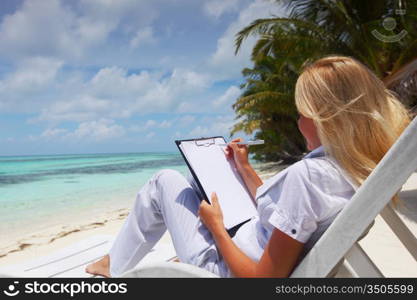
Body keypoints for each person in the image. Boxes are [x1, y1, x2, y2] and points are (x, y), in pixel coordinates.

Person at [86, 56, 410, 277]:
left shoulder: (310, 176)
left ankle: (113, 267)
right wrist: (244, 169)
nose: (298, 122)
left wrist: (215, 228)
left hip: (223, 269)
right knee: (193, 179)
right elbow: (289, 213)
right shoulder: (354, 167)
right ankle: (116, 259)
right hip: (250, 240)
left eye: (301, 114)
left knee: (164, 181)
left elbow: (261, 282)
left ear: (325, 118)